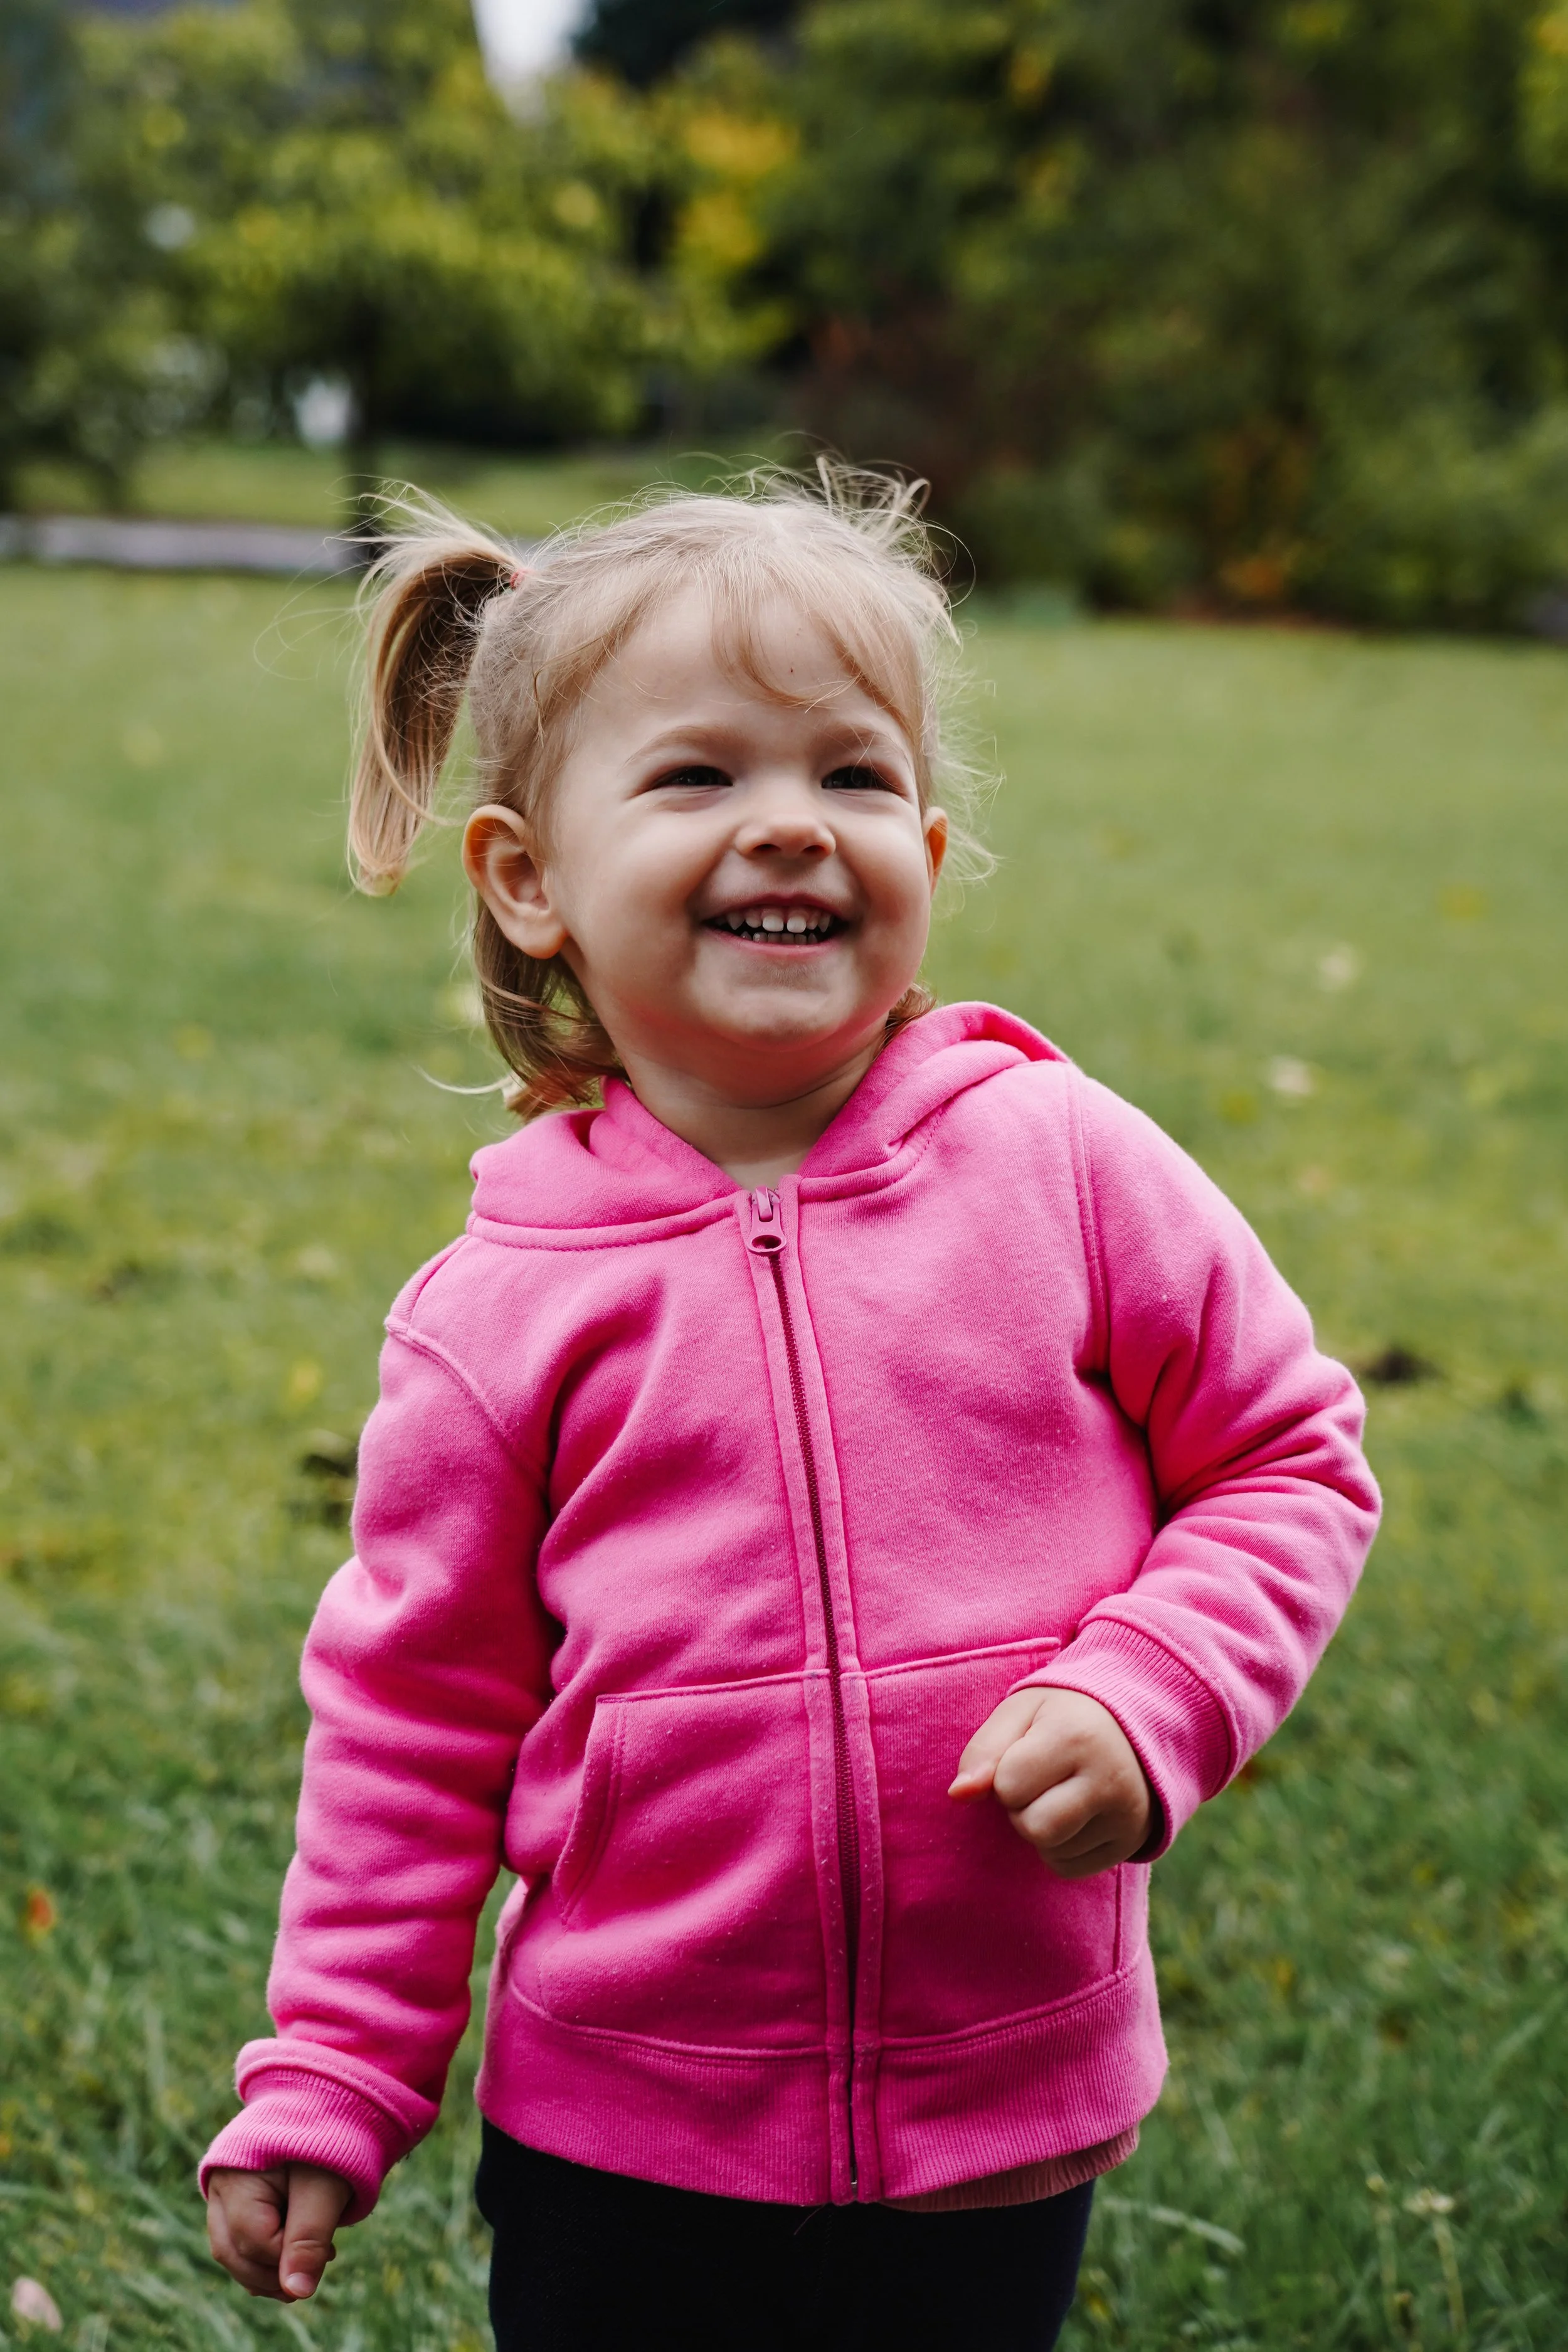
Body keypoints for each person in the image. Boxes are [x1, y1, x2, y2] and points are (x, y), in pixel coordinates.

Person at [200, 468, 1380, 2351]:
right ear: (527, 877)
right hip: (625, 2135)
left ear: (921, 834)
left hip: (999, 2105)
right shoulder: (498, 1312)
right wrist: (335, 2068)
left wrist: (1150, 1683)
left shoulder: (1057, 1162)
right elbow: (411, 1732)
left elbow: (1284, 1454)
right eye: (696, 778)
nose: (789, 830)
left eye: (848, 777)